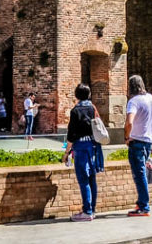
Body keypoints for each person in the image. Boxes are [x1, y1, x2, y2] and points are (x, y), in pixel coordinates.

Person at [63, 83, 105, 221]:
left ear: (76, 95)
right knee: (92, 178)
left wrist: (66, 152)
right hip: (93, 145)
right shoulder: (92, 108)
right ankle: (92, 209)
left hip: (81, 146)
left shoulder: (75, 111)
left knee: (83, 179)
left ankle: (87, 212)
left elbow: (71, 134)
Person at [125, 74, 152, 217]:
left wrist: (127, 136)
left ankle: (144, 206)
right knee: (142, 173)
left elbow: (129, 122)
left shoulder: (134, 101)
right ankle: (141, 202)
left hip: (136, 141)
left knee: (139, 175)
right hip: (148, 141)